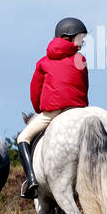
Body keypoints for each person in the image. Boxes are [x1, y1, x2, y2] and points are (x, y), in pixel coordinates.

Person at [15, 17, 89, 199]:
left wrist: (39, 109)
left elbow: (35, 92)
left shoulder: (43, 62)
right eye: (81, 38)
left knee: (22, 138)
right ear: (70, 37)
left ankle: (31, 180)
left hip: (52, 112)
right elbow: (85, 86)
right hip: (77, 110)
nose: (82, 43)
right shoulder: (80, 59)